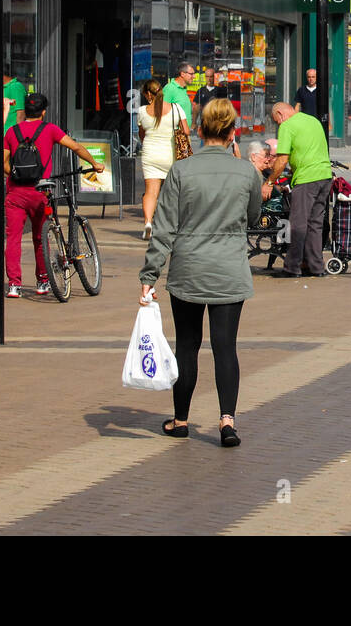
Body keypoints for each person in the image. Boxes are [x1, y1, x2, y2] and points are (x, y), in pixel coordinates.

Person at [140, 98, 260, 448]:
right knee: (226, 347)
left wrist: (149, 276)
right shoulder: (246, 172)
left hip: (188, 269)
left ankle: (180, 421)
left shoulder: (181, 170)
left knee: (187, 346)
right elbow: (253, 218)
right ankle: (227, 421)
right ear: (232, 132)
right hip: (229, 270)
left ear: (201, 130)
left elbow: (163, 229)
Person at [3, 93, 105, 298]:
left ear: (25, 111)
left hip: (15, 192)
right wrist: (94, 164)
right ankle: (42, 281)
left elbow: (3, 162)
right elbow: (75, 146)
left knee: (13, 238)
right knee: (41, 237)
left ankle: (14, 285)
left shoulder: (12, 132)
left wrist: (15, 174)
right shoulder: (49, 129)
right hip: (41, 191)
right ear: (43, 112)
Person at [264, 103, 332, 278]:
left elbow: (282, 159)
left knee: (297, 224)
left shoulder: (287, 126)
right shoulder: (313, 121)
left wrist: (269, 182)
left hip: (307, 179)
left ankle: (292, 268)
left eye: (276, 120)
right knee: (315, 224)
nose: (278, 124)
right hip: (324, 176)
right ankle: (316, 267)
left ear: (280, 114)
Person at [137, 79, 191, 241]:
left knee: (151, 192)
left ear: (148, 94)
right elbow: (186, 131)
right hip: (171, 153)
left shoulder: (142, 111)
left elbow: (142, 135)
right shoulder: (175, 108)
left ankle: (148, 223)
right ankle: (171, 226)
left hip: (150, 154)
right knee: (173, 192)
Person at [163, 63, 196, 134]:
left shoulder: (183, 88)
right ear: (182, 74)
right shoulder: (170, 88)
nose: (194, 76)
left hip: (184, 134)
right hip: (174, 135)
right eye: (191, 74)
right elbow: (163, 112)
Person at [2, 67, 26, 132]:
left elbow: (20, 112)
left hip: (11, 134)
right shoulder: (2, 88)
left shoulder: (15, 87)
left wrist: (17, 135)